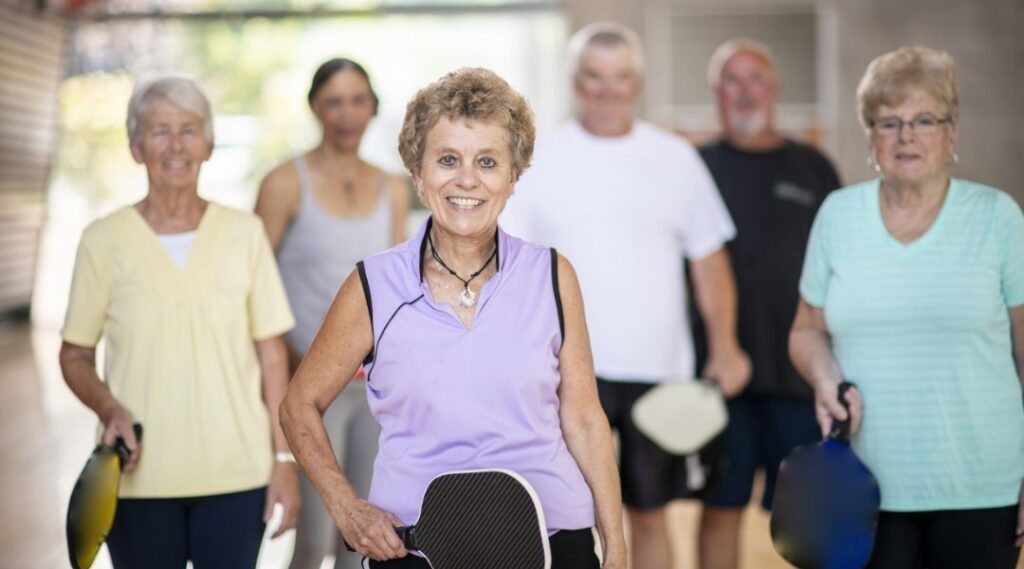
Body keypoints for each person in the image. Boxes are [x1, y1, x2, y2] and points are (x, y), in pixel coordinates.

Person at [280, 67, 627, 569]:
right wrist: (347, 507)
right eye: (447, 159)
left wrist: (615, 545)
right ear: (418, 173)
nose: (467, 179)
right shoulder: (374, 287)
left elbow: (585, 419)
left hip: (553, 540)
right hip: (414, 548)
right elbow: (299, 404)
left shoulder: (553, 275)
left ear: (513, 176)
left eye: (487, 161)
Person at [501, 22, 751, 569]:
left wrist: (726, 345)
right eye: (594, 76)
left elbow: (709, 262)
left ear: (637, 82)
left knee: (649, 512)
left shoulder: (675, 157)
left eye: (619, 77)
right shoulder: (539, 159)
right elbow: (514, 266)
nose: (607, 89)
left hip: (656, 368)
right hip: (563, 368)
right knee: (565, 512)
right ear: (574, 80)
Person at [790, 46, 1024, 568]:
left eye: (924, 120)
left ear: (952, 132)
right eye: (888, 122)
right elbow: (806, 330)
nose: (906, 136)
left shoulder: (998, 217)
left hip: (983, 483)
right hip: (862, 487)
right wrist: (825, 377)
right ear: (869, 138)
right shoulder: (838, 216)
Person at [59, 75, 299, 568]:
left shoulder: (244, 233)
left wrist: (283, 460)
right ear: (135, 147)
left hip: (238, 476)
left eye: (189, 129)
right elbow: (75, 354)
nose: (176, 144)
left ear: (208, 146)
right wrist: (109, 409)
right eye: (160, 130)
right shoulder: (102, 241)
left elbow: (272, 355)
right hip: (136, 478)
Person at [692, 39, 841, 569]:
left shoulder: (813, 167)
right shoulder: (694, 166)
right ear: (717, 93)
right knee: (720, 509)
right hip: (718, 377)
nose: (746, 91)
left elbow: (840, 268)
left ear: (774, 89)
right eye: (733, 79)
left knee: (810, 520)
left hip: (798, 378)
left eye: (756, 78)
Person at [256, 57, 410, 569]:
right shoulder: (284, 183)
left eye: (358, 100)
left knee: (368, 533)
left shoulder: (391, 187)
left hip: (371, 386)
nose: (347, 113)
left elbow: (392, 285)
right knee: (316, 535)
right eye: (334, 102)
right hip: (310, 387)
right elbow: (253, 290)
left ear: (373, 108)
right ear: (315, 109)